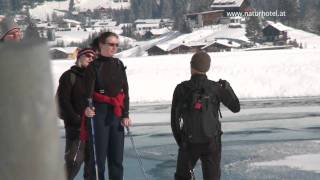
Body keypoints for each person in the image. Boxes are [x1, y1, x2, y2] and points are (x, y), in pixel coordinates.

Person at [171, 51, 240, 180]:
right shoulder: (216, 88)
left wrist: (181, 143)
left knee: (182, 177)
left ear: (191, 66)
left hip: (189, 142)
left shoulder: (181, 89)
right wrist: (228, 87)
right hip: (211, 142)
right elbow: (236, 107)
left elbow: (174, 120)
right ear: (207, 67)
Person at [83, 32, 131, 180]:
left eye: (116, 45)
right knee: (98, 162)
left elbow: (125, 92)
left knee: (117, 160)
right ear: (101, 45)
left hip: (116, 116)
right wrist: (86, 108)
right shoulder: (93, 67)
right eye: (111, 44)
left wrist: (126, 114)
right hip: (99, 116)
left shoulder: (118, 64)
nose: (114, 47)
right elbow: (87, 94)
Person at [56, 48, 96, 180]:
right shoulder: (69, 76)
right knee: (73, 162)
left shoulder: (94, 77)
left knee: (91, 165)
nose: (91, 58)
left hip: (92, 127)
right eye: (88, 56)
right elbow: (63, 101)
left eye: (93, 57)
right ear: (79, 57)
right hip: (76, 127)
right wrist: (76, 119)